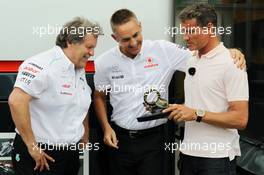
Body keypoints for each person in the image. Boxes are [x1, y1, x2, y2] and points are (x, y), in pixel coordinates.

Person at [93, 9, 245, 175]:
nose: (134, 42)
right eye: (126, 39)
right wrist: (106, 127)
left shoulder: (163, 50)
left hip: (155, 141)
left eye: (136, 35)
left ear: (140, 27)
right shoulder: (103, 62)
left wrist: (232, 52)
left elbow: (204, 54)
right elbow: (99, 96)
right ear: (115, 38)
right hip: (120, 140)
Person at [8, 17, 102, 175]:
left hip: (68, 156)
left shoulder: (78, 67)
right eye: (89, 47)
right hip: (40, 156)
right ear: (71, 41)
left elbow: (79, 101)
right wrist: (32, 146)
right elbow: (16, 101)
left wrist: (84, 132)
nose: (92, 53)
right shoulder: (41, 64)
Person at [163, 3, 249, 175]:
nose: (185, 37)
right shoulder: (191, 59)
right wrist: (180, 111)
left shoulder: (232, 63)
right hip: (188, 154)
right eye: (184, 31)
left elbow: (240, 119)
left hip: (217, 158)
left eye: (191, 31)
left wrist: (196, 114)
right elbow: (202, 100)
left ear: (209, 28)